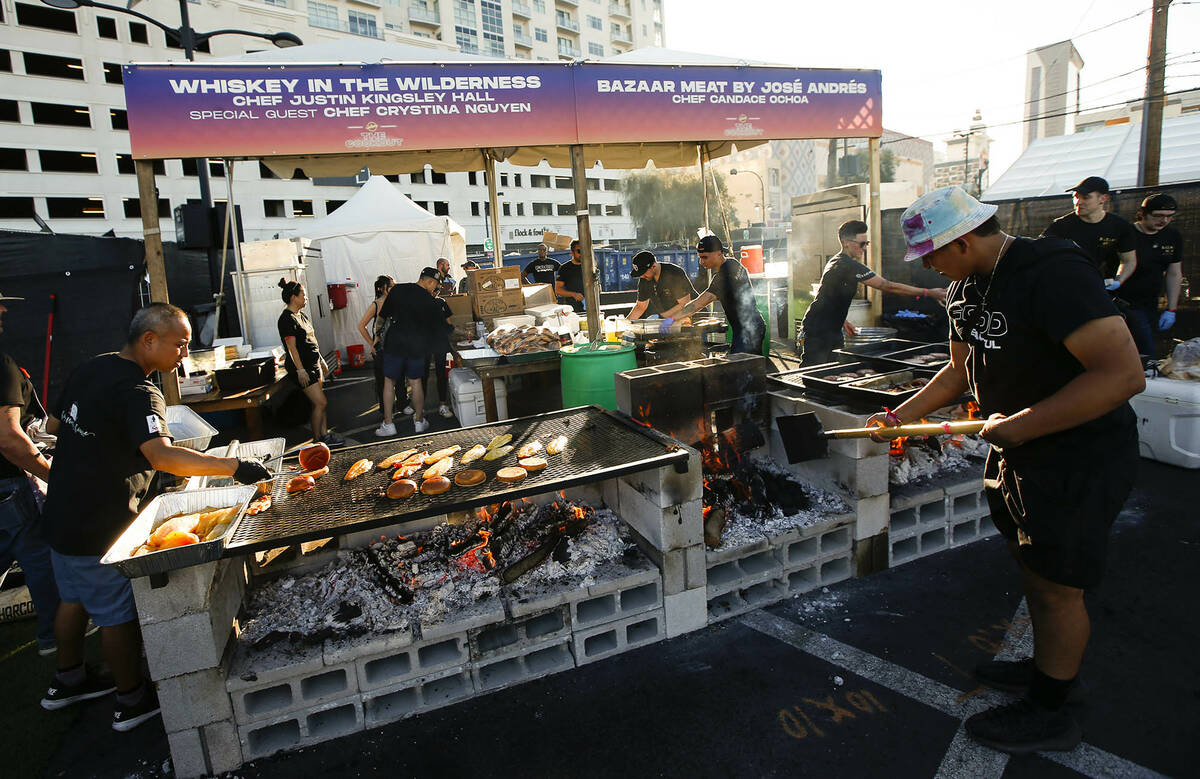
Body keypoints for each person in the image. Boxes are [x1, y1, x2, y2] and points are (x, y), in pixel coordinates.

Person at [876, 186, 1143, 755]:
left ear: (964, 239)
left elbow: (1122, 375)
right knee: (1036, 571)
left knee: (1057, 589)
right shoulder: (963, 286)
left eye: (931, 255)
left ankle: (1053, 713)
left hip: (1077, 455)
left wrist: (1024, 423)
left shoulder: (1051, 273)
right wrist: (899, 416)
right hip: (1019, 453)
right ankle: (1050, 672)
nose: (927, 267)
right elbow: (957, 373)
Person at [39, 303, 271, 731]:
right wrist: (233, 468)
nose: (184, 353)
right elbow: (162, 455)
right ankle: (131, 700)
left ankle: (67, 679)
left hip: (62, 510)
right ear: (149, 340)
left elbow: (55, 424)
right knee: (115, 614)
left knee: (72, 598)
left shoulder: (92, 367)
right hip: (99, 521)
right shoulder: (139, 391)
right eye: (180, 344)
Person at [0, 290, 60, 657]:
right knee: (39, 557)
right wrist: (51, 474)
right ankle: (56, 639)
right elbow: (8, 437)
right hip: (9, 484)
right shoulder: (2, 365)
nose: (3, 309)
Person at [800, 220, 947, 365]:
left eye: (867, 243)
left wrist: (842, 320)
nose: (864, 248)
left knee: (831, 370)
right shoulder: (848, 265)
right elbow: (888, 286)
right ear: (846, 242)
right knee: (812, 371)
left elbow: (826, 295)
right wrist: (928, 292)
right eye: (862, 244)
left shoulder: (836, 261)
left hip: (831, 327)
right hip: (818, 330)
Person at [660, 235, 766, 355]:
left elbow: (698, 304)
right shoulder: (733, 263)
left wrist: (672, 318)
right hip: (752, 325)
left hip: (748, 329)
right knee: (751, 366)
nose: (701, 262)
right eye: (699, 257)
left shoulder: (724, 275)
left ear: (719, 253)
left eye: (705, 257)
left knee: (740, 369)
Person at [375, 267, 445, 437]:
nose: (434, 289)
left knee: (389, 382)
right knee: (416, 382)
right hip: (416, 344)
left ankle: (388, 425)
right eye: (435, 285)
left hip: (394, 342)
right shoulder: (429, 300)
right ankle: (419, 421)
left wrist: (377, 335)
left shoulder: (398, 289)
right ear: (429, 281)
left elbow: (382, 316)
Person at [277, 280, 343, 447]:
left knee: (320, 403)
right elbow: (292, 348)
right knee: (320, 402)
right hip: (303, 368)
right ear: (293, 297)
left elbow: (311, 339)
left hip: (313, 365)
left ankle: (324, 434)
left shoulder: (302, 316)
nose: (306, 298)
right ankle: (317, 439)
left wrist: (321, 360)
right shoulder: (287, 319)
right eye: (303, 295)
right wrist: (300, 370)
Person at [1042, 176, 1137, 286]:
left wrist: (1118, 281)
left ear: (1103, 198)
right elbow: (1042, 255)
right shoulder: (1060, 226)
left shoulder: (1120, 226)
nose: (1078, 202)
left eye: (1085, 197)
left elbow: (1128, 260)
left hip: (1102, 290)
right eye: (1076, 197)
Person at [1121, 193, 1182, 357]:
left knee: (1148, 344)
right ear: (1142, 213)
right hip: (1124, 301)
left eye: (1169, 217)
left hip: (1151, 302)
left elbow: (1174, 273)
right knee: (1144, 348)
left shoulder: (1172, 236)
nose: (1164, 221)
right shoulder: (1127, 234)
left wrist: (1172, 309)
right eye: (1158, 216)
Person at [356, 275, 395, 419]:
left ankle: (397, 406)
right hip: (381, 348)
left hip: (395, 347)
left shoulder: (395, 302)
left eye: (393, 285)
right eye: (390, 286)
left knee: (397, 379)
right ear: (381, 288)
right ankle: (386, 412)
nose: (392, 288)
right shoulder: (376, 304)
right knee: (384, 382)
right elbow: (361, 326)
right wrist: (372, 344)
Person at [625, 250, 697, 321]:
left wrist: (665, 317)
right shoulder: (645, 279)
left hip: (695, 316)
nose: (642, 276)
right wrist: (624, 325)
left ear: (653, 266)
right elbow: (640, 307)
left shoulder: (673, 273)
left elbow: (685, 304)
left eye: (643, 272)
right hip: (669, 319)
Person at [424, 288, 455, 419]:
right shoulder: (435, 302)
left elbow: (449, 324)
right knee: (426, 374)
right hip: (426, 343)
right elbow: (449, 324)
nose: (436, 292)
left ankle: (440, 405)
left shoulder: (441, 302)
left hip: (436, 343)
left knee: (438, 374)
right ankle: (422, 408)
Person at [555, 240, 586, 312]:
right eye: (579, 251)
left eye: (584, 251)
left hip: (591, 307)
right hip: (572, 308)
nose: (582, 253)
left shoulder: (589, 266)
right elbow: (558, 290)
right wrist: (573, 294)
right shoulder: (564, 268)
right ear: (572, 252)